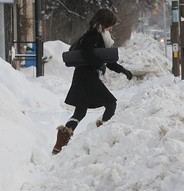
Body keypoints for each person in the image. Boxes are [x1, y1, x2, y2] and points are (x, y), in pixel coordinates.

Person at [52, 8, 133, 155]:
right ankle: (102, 137)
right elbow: (87, 53)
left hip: (84, 76)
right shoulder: (93, 34)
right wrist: (99, 65)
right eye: (110, 24)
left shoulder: (99, 35)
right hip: (87, 77)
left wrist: (122, 70)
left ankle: (60, 144)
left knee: (80, 112)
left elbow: (105, 59)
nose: (111, 27)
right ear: (103, 23)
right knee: (111, 104)